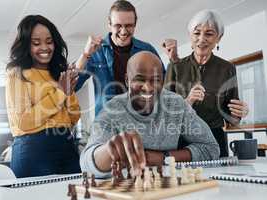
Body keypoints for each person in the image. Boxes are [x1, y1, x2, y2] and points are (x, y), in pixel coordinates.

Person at [80, 51, 219, 178]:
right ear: (127, 80)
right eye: (139, 79)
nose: (148, 88)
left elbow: (211, 147)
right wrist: (108, 152)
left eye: (156, 80)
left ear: (163, 81)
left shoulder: (177, 105)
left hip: (168, 187)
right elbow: (85, 165)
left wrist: (163, 158)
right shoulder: (111, 111)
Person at [163, 10, 249, 157]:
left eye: (209, 34)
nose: (201, 39)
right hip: (182, 139)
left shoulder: (227, 68)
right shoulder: (176, 67)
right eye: (197, 33)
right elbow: (164, 113)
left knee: (220, 180)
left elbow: (232, 118)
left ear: (218, 38)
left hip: (215, 138)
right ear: (190, 36)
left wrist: (241, 113)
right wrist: (187, 101)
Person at [6, 15, 81, 178]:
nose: (45, 47)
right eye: (36, 43)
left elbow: (74, 117)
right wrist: (60, 92)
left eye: (49, 41)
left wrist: (68, 92)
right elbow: (24, 122)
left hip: (67, 146)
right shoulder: (16, 74)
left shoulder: (58, 73)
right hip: (32, 150)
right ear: (26, 45)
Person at [75, 0, 165, 116]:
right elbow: (73, 86)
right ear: (109, 24)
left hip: (141, 120)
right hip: (108, 121)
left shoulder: (147, 49)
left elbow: (163, 82)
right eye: (118, 25)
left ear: (135, 24)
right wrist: (85, 54)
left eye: (128, 26)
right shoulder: (96, 51)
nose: (123, 32)